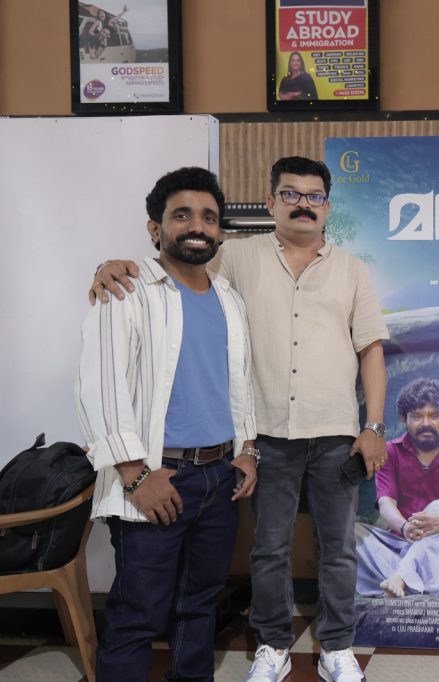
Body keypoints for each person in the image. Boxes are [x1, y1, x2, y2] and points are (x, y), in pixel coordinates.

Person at [90, 156, 389, 682]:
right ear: (271, 202)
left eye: (314, 196)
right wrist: (109, 267)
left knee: (338, 548)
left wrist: (374, 427)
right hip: (264, 436)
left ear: (327, 206)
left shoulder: (351, 270)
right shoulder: (234, 258)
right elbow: (176, 268)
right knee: (268, 548)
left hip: (331, 434)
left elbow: (370, 350)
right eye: (290, 193)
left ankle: (337, 645)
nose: (302, 203)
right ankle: (272, 642)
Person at [76, 167, 259, 681]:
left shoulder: (229, 299)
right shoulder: (126, 292)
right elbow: (99, 389)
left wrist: (247, 449)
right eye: (182, 215)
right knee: (138, 613)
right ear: (155, 228)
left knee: (199, 607)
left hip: (219, 479)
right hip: (157, 477)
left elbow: (240, 382)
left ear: (219, 231)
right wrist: (135, 476)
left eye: (209, 217)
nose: (197, 226)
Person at [355, 378, 439, 597]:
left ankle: (401, 577)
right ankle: (420, 581)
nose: (426, 423)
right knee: (352, 533)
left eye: (434, 415)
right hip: (404, 542)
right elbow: (386, 503)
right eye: (417, 416)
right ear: (404, 419)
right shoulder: (389, 453)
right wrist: (405, 527)